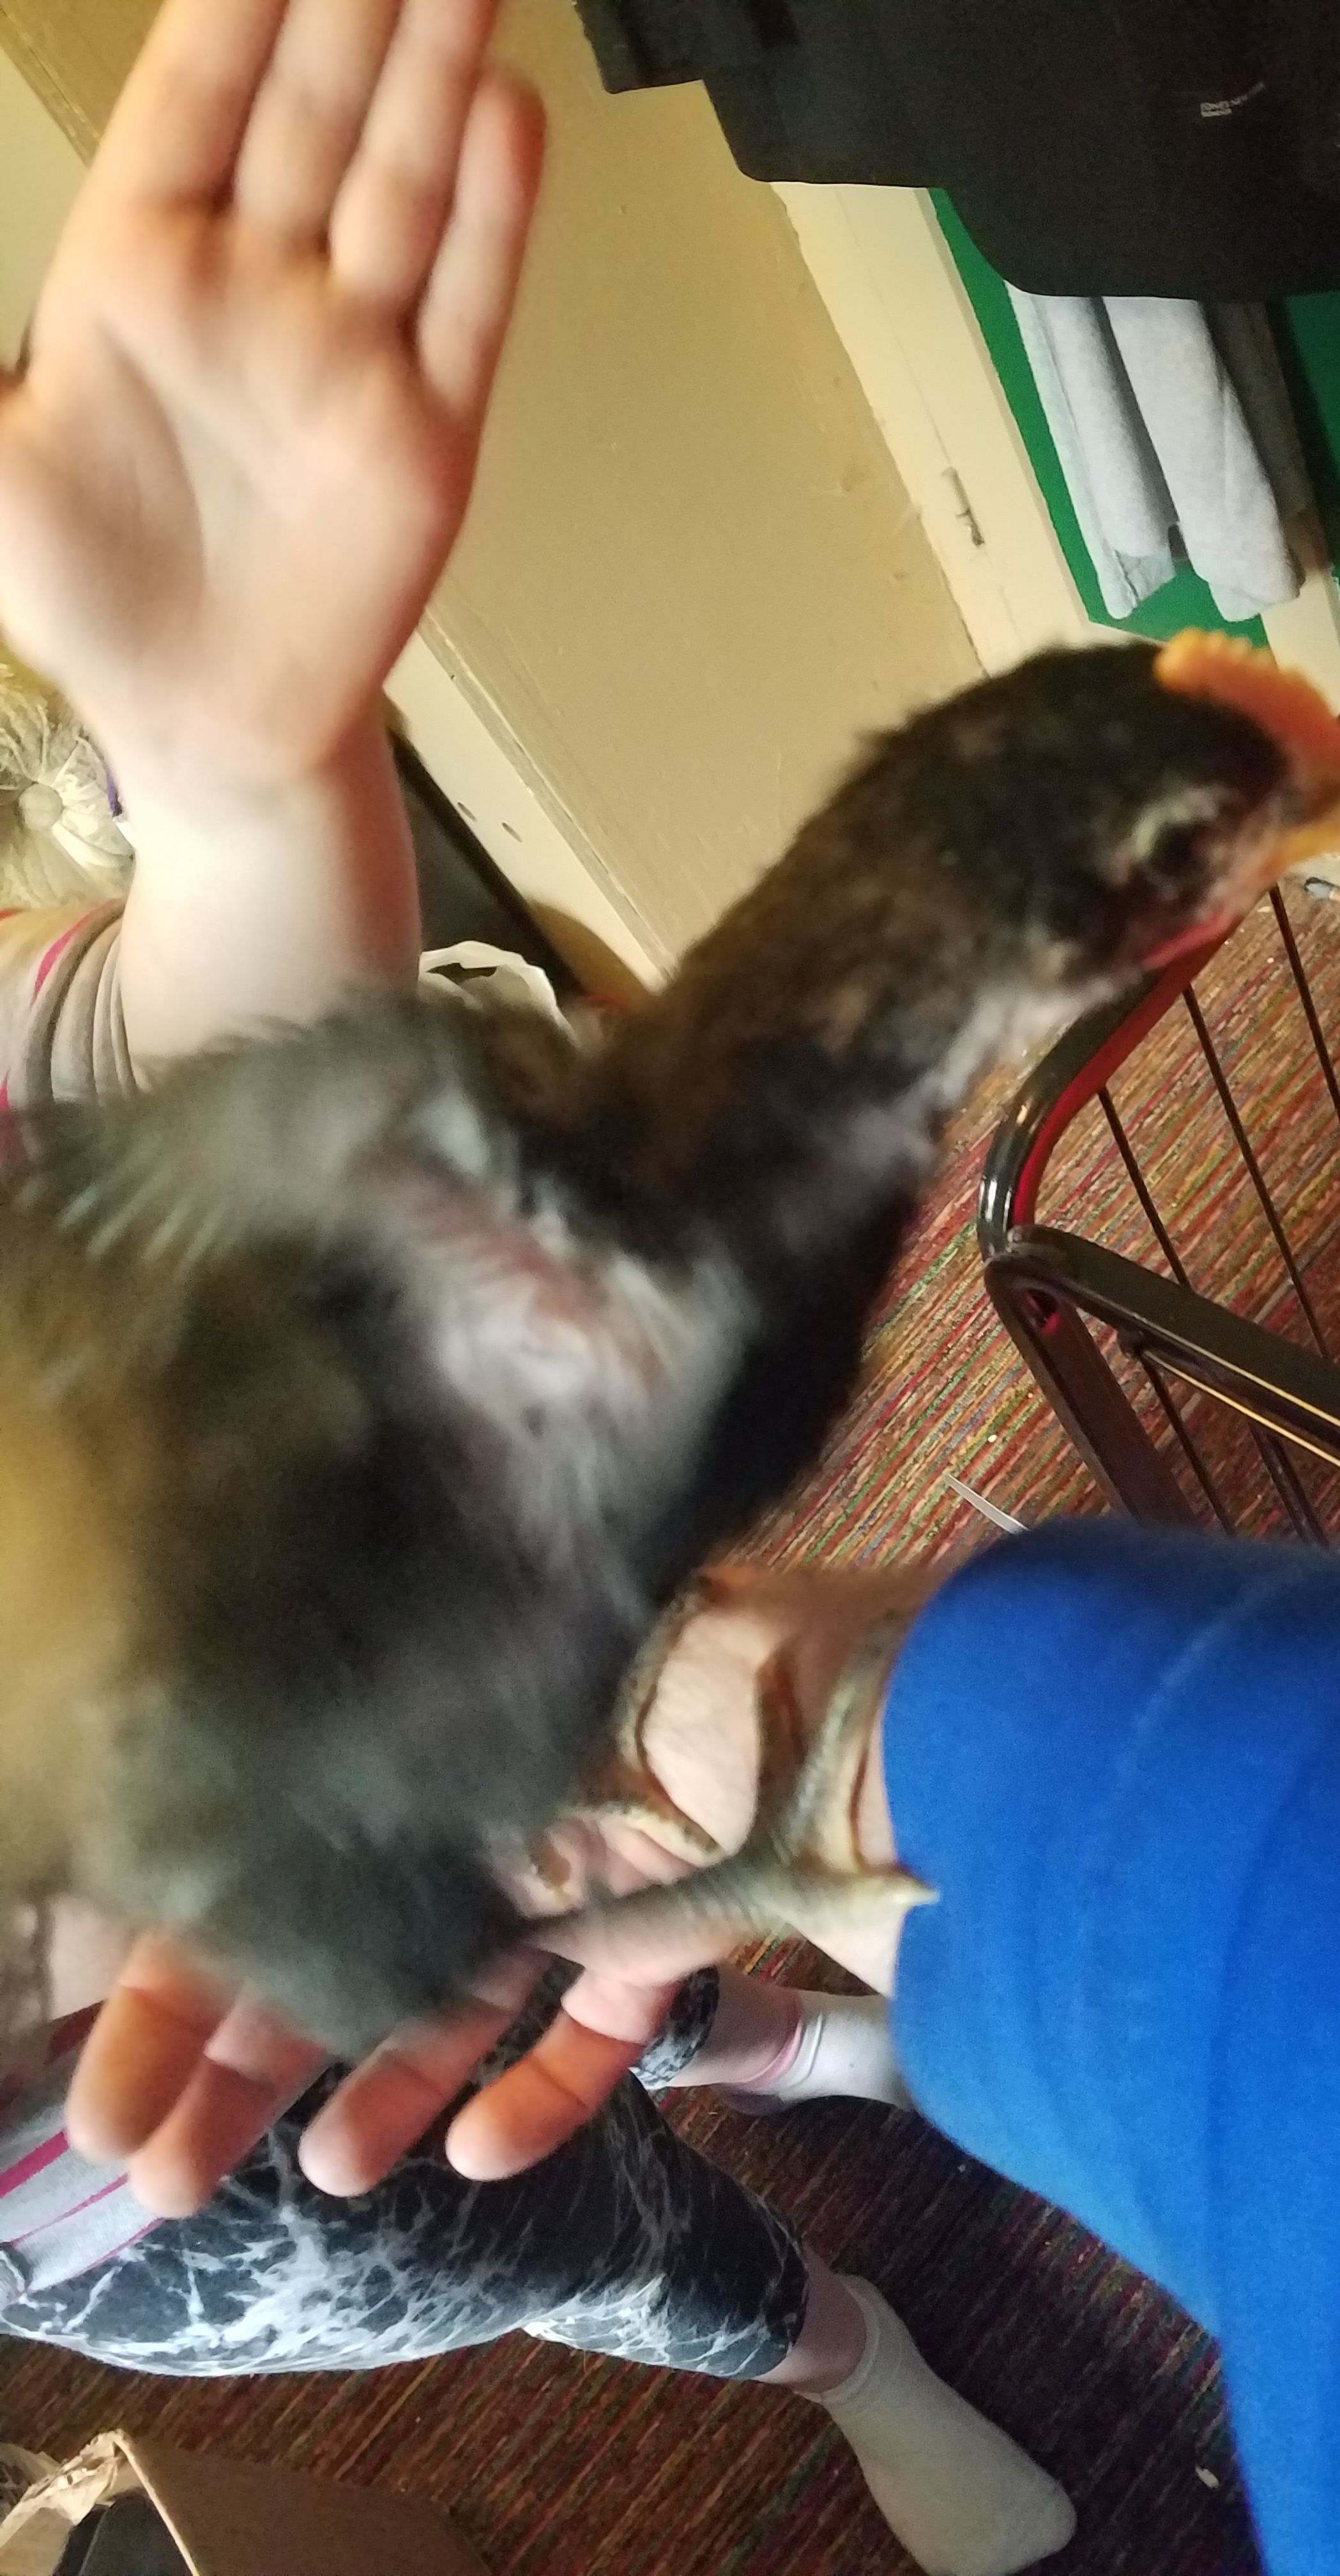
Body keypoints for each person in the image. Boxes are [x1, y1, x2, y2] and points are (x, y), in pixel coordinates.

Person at [0, 6, 1074, 2570]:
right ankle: (846, 2345)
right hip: (142, 2175)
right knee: (550, 2226)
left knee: (628, 1930)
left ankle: (784, 2038)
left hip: (430, 1728)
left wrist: (245, 795)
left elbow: (192, 1125)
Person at [80, 1528, 1340, 2575]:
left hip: (354, 1935)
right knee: (543, 2203)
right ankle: (842, 2341)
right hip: (120, 2222)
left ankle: (792, 2070)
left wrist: (722, 1727)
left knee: (567, 2075)